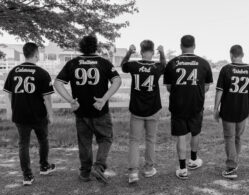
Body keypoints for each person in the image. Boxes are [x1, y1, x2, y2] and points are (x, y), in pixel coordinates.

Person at [54, 35, 121, 183]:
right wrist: (104, 98)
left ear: (81, 47)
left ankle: (85, 172)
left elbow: (58, 83)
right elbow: (117, 80)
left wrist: (71, 100)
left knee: (84, 142)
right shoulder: (104, 63)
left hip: (80, 110)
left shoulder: (73, 63)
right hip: (100, 110)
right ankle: (98, 166)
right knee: (105, 138)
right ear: (95, 47)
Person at [3, 42, 56, 186]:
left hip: (20, 115)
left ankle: (27, 176)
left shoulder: (14, 71)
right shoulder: (42, 73)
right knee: (43, 140)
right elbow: (47, 97)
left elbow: (7, 93)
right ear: (36, 54)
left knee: (23, 144)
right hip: (38, 115)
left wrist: (9, 111)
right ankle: (44, 166)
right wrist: (50, 114)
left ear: (24, 54)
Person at [164, 35, 213, 179]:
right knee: (195, 132)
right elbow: (207, 86)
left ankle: (182, 168)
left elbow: (168, 87)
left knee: (180, 136)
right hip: (196, 104)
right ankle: (193, 159)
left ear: (181, 46)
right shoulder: (203, 63)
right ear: (194, 45)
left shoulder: (172, 62)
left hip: (178, 105)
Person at [121, 40, 166, 183]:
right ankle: (148, 169)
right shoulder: (157, 67)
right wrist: (162, 52)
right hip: (153, 109)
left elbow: (123, 66)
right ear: (152, 52)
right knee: (150, 140)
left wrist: (129, 52)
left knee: (134, 141)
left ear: (141, 52)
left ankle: (133, 173)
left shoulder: (134, 65)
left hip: (136, 109)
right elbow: (164, 65)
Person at [214, 45, 249, 179]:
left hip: (228, 109)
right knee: (238, 137)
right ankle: (234, 162)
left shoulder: (226, 69)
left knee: (229, 138)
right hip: (243, 110)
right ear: (242, 54)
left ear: (231, 55)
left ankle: (231, 167)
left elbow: (219, 91)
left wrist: (216, 108)